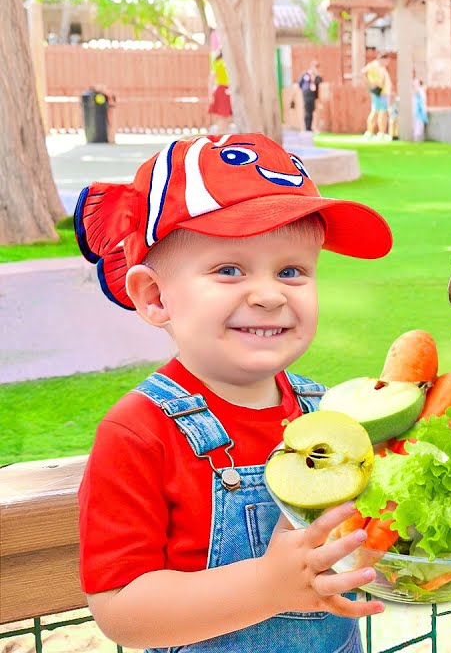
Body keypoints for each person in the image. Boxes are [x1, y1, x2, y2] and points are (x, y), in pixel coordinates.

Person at [73, 133, 394, 652]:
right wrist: (268, 587)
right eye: (229, 270)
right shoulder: (138, 432)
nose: (269, 295)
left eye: (292, 271)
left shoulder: (332, 412)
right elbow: (119, 609)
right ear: (155, 297)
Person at [361, 52, 393, 141]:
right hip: (378, 92)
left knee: (381, 112)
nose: (387, 63)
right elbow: (363, 72)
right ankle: (371, 132)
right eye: (386, 61)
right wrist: (370, 84)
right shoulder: (374, 65)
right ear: (382, 59)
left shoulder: (382, 68)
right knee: (377, 112)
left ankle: (380, 133)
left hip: (384, 92)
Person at [208, 50, 233, 135]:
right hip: (222, 90)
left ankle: (223, 136)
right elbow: (211, 78)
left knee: (226, 118)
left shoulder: (224, 63)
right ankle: (220, 137)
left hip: (227, 91)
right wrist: (210, 94)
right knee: (223, 117)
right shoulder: (220, 63)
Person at [298, 60, 323, 132]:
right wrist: (305, 89)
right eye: (314, 66)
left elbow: (320, 82)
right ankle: (307, 127)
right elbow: (300, 83)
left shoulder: (317, 76)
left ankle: (310, 127)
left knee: (311, 110)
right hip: (307, 93)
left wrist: (316, 76)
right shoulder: (305, 74)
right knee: (307, 110)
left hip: (313, 95)